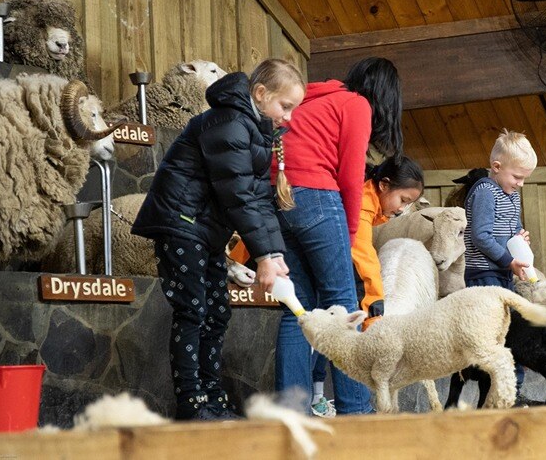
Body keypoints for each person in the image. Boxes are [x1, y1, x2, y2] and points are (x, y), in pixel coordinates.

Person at [131, 59, 305, 420]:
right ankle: (192, 404)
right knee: (193, 310)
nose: (288, 117)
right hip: (181, 222)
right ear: (260, 93)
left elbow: (258, 198)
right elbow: (238, 195)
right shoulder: (228, 123)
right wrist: (261, 257)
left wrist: (274, 252)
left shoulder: (255, 130)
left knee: (217, 312)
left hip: (204, 228)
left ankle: (212, 397)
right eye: (284, 106)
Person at [274, 57, 403, 415]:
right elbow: (351, 177)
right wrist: (347, 235)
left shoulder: (314, 99)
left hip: (279, 196)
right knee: (344, 302)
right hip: (317, 196)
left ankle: (290, 411)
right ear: (386, 95)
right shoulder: (356, 104)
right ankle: (355, 410)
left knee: (295, 310)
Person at [310, 156, 424, 417]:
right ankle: (356, 409)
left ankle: (317, 397)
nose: (402, 209)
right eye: (403, 200)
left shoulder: (366, 203)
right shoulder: (360, 205)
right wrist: (375, 312)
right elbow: (364, 261)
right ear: (384, 185)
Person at [463, 130, 537, 401]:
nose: (520, 184)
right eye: (517, 177)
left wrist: (520, 238)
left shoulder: (511, 193)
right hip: (484, 273)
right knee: (494, 335)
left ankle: (512, 391)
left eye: (524, 179)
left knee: (510, 330)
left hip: (504, 271)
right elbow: (480, 235)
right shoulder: (485, 191)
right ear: (496, 167)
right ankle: (498, 393)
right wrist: (508, 259)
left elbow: (512, 227)